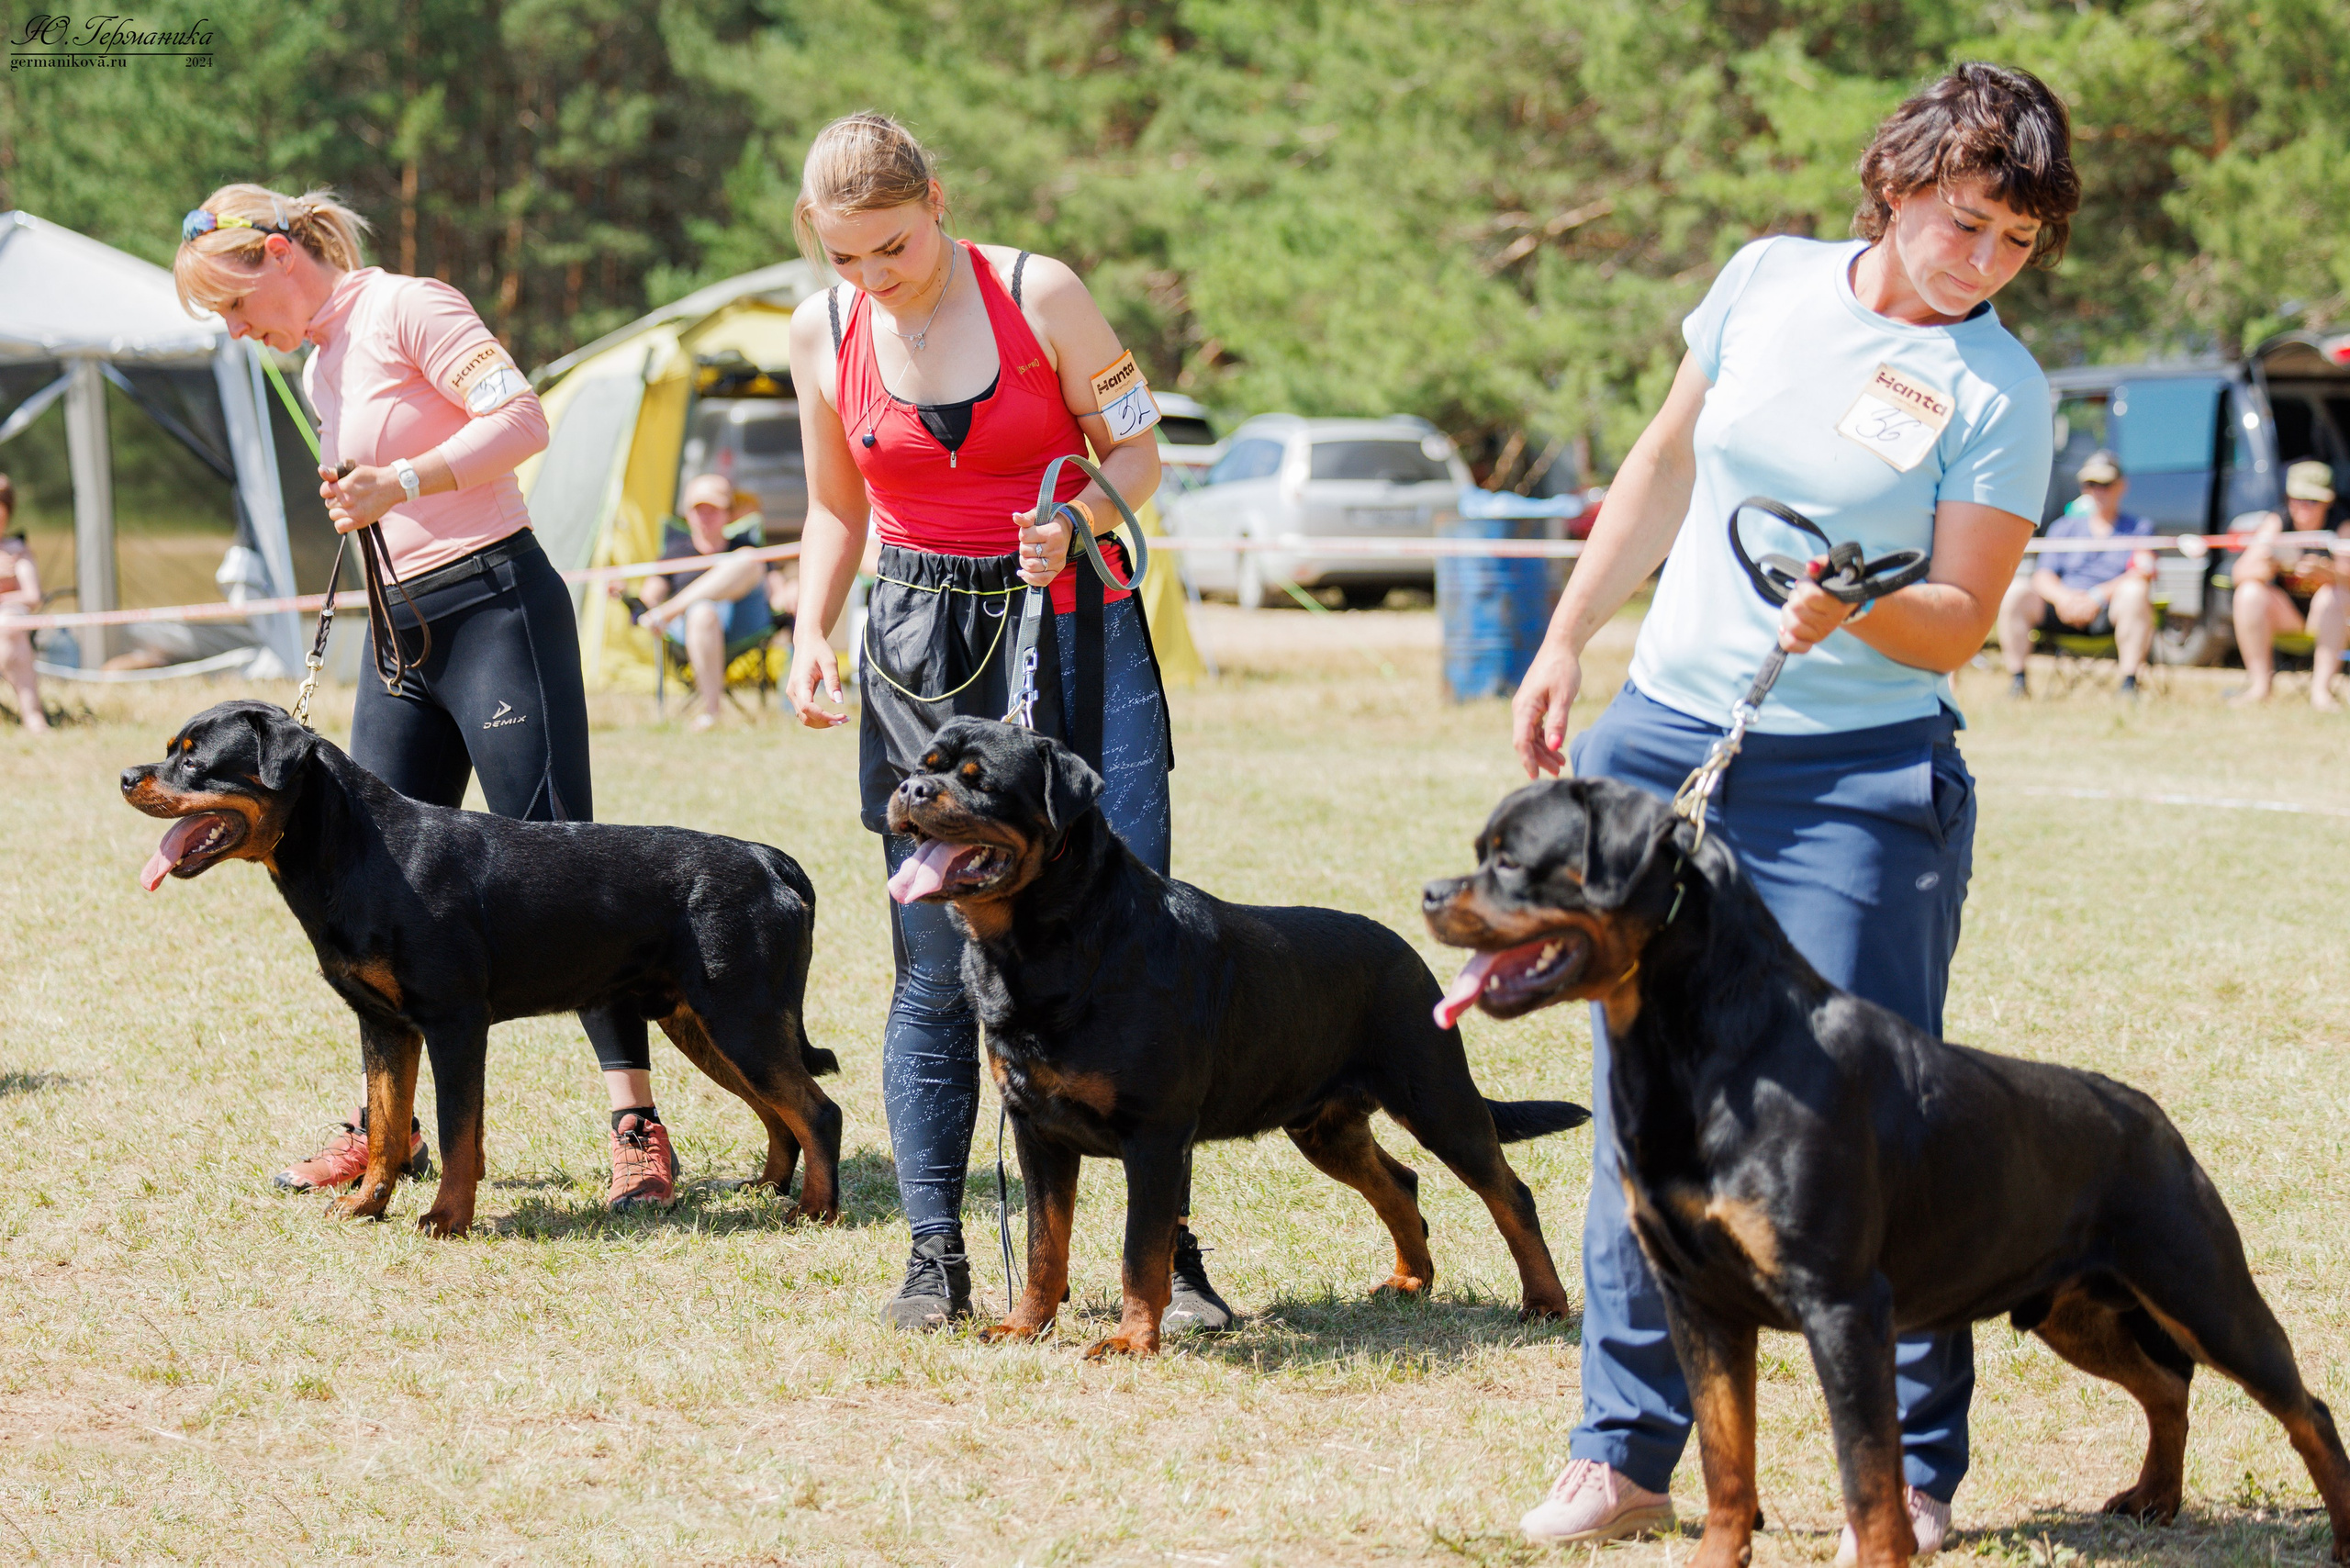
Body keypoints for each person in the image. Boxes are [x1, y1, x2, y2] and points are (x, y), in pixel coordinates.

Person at [1506, 64, 2077, 1553]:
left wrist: (1856, 613)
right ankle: (1623, 1448)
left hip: (1858, 780)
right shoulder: (1763, 281)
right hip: (1668, 739)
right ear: (1897, 184)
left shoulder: (2001, 390)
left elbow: (1957, 617)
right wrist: (1570, 635)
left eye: (2017, 244)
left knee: (1864, 1121)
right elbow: (1662, 465)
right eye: (1967, 225)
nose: (1985, 263)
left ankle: (1915, 1471)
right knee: (1648, 1111)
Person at [782, 112, 1232, 1333]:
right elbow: (836, 507)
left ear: (937, 199)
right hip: (920, 641)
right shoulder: (820, 330)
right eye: (846, 258)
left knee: (1138, 937)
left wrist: (1083, 512)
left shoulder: (1043, 291)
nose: (873, 277)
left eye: (893, 246)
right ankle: (935, 1255)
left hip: (1077, 617)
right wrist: (812, 629)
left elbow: (1138, 452)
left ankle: (1167, 1255)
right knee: (933, 963)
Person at [173, 184, 681, 1213]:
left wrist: (398, 482)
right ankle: (385, 1130)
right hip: (399, 632)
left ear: (277, 254)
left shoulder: (413, 306)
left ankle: (636, 1124)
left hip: (497, 608)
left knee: (563, 861)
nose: (237, 332)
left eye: (232, 306)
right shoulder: (320, 361)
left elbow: (523, 419)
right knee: (360, 871)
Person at [620, 473, 788, 732]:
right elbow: (646, 600)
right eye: (699, 510)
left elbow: (777, 595)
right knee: (702, 612)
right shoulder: (674, 555)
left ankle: (672, 610)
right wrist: (624, 595)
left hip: (743, 623)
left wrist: (794, 591)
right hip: (694, 629)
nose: (705, 517)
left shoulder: (746, 546)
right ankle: (712, 712)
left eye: (714, 510)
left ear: (728, 513)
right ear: (688, 514)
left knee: (747, 560)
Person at [1998, 447, 2156, 696]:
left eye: (2106, 483)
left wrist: (2097, 596)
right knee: (2016, 590)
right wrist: (2065, 599)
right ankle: (2017, 683)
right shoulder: (2063, 527)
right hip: (2063, 609)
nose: (2098, 491)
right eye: (2090, 484)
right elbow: (2043, 575)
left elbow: (2143, 571)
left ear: (2121, 486)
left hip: (2109, 610)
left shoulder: (2140, 528)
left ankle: (2128, 685)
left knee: (2135, 591)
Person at [2225, 460, 2344, 709]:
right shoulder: (2277, 521)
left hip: (2331, 618)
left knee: (2335, 595)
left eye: (2312, 501)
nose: (2303, 508)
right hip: (2287, 614)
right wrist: (2266, 565)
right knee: (2249, 593)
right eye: (2297, 499)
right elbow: (2239, 573)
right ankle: (2260, 688)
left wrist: (2327, 572)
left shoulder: (2342, 526)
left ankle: (2321, 693)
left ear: (2328, 501)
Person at [0, 476, 50, 734]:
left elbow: (32, 596)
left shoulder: (16, 550)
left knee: (9, 626)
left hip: (8, 625)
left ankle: (33, 715)